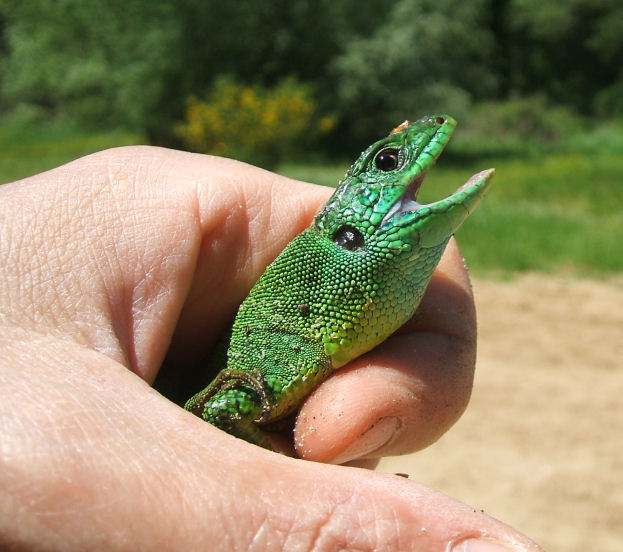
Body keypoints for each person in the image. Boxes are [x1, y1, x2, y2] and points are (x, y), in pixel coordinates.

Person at [0, 146, 542, 551]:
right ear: (349, 235)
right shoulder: (282, 362)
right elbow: (220, 410)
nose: (414, 154)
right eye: (388, 161)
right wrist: (298, 481)